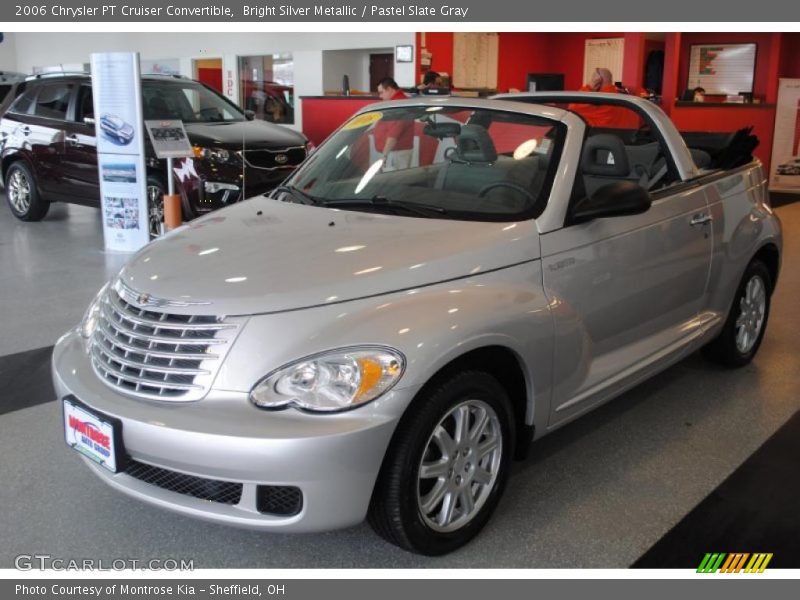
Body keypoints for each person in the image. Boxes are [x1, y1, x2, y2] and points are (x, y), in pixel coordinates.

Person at [568, 68, 639, 128]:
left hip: (601, 142)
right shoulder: (626, 96)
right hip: (627, 142)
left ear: (598, 80)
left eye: (592, 79)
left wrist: (589, 86)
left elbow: (572, 108)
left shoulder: (598, 100)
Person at [375, 77, 413, 170]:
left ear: (389, 89)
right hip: (394, 153)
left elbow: (394, 133)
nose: (380, 96)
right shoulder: (397, 102)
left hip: (395, 154)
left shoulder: (398, 105)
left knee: (394, 182)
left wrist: (384, 155)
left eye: (381, 92)